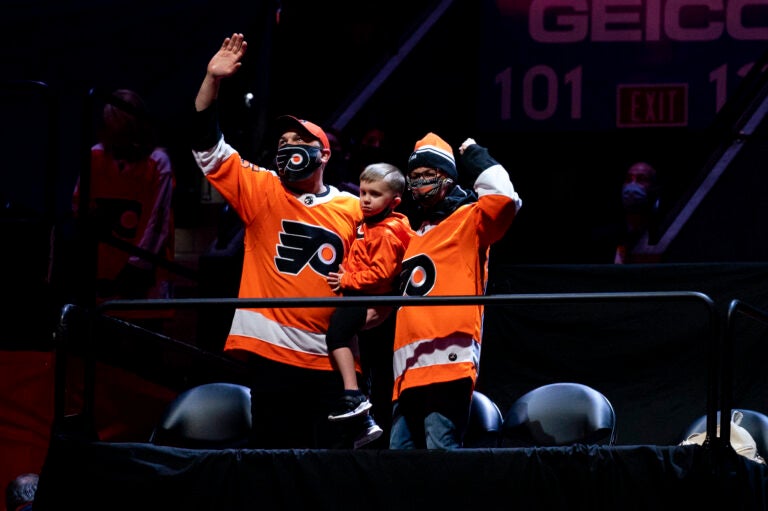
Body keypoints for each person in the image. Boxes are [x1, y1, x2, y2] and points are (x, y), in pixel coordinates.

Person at [191, 32, 377, 449]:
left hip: (334, 362)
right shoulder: (262, 189)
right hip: (272, 357)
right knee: (272, 466)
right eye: (283, 144)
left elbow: (381, 269)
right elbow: (206, 145)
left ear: (324, 154)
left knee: (334, 472)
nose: (289, 149)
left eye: (300, 143)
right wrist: (212, 81)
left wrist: (375, 312)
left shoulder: (354, 206)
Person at [389, 132, 522, 449]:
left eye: (428, 175)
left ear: (447, 177)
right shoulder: (414, 233)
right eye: (415, 176)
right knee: (396, 459)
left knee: (441, 446)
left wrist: (477, 156)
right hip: (406, 361)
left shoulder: (470, 218)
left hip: (449, 353)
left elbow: (505, 200)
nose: (419, 183)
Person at [71, 88, 176, 326]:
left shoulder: (157, 162)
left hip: (144, 282)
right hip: (103, 278)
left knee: (145, 345)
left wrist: (136, 267)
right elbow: (78, 205)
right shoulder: (96, 157)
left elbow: (156, 222)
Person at [325, 163, 412, 443]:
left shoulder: (387, 232)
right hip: (362, 297)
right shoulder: (368, 224)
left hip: (369, 297)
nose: (365, 199)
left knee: (337, 333)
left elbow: (381, 274)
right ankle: (364, 421)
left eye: (374, 194)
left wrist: (347, 280)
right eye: (362, 192)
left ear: (394, 201)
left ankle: (352, 394)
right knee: (360, 354)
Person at [614, 161, 660, 264]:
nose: (632, 185)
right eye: (628, 179)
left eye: (641, 179)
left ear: (655, 188)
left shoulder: (661, 234)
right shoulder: (606, 237)